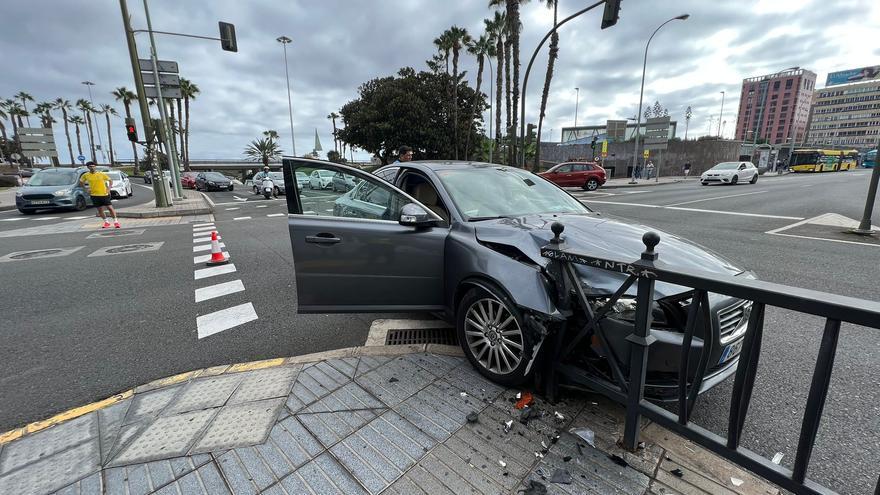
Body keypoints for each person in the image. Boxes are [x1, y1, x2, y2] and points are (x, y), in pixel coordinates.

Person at [80, 161, 119, 228]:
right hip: (94, 195)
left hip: (104, 194)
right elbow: (81, 182)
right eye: (90, 166)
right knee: (100, 210)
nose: (92, 167)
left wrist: (109, 189)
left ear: (95, 167)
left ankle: (116, 222)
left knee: (110, 208)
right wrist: (86, 189)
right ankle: (106, 222)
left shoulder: (101, 174)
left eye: (93, 166)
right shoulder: (86, 175)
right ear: (88, 167)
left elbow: (110, 181)